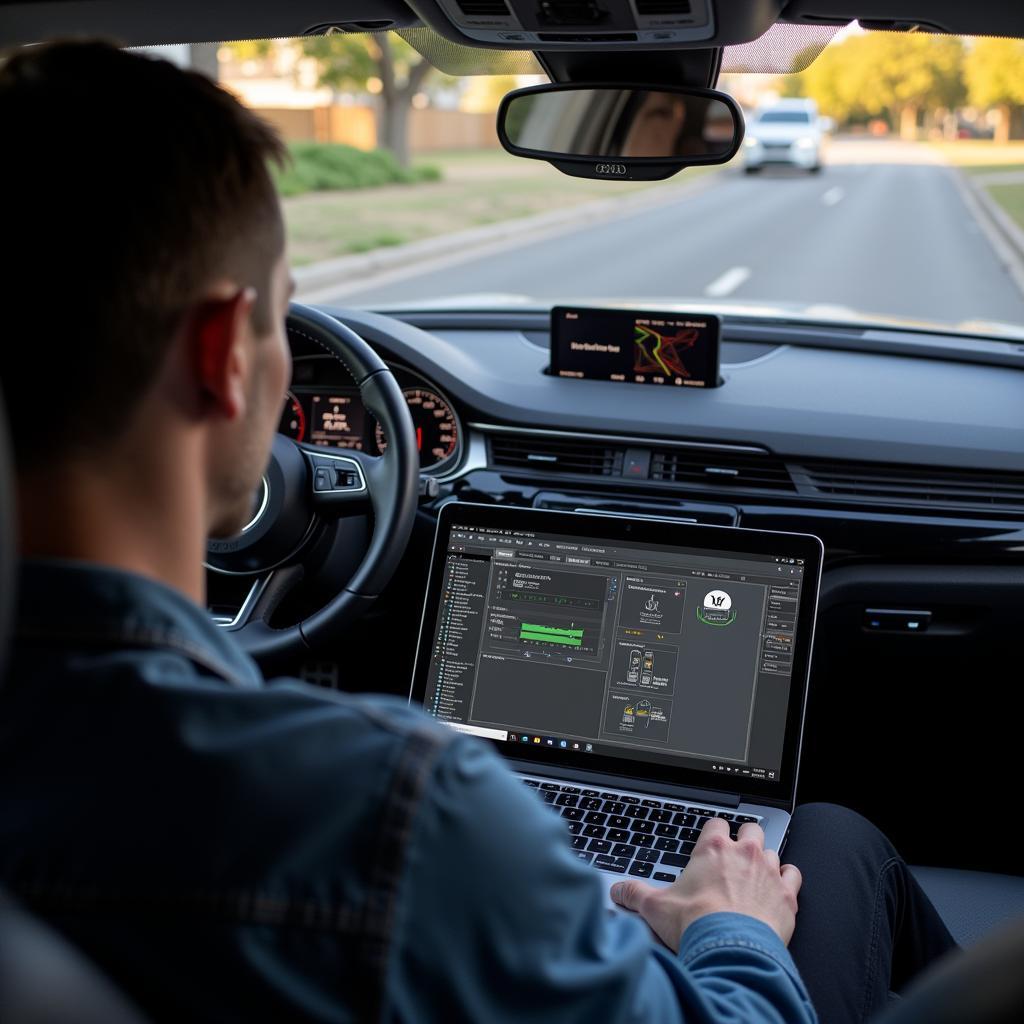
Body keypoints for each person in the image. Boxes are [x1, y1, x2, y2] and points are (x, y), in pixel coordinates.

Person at [0, 41, 959, 1023]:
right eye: (282, 319)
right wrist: (735, 931)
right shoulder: (395, 813)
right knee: (832, 840)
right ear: (221, 354)